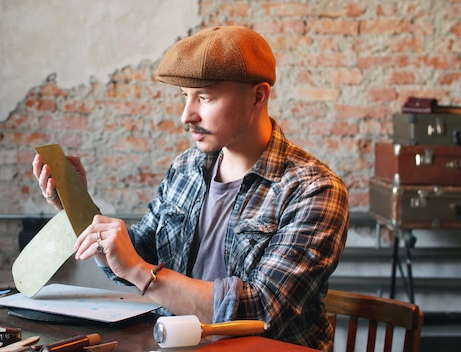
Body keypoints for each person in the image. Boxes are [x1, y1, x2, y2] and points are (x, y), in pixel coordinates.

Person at [32, 25, 348, 351]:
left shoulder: (314, 191)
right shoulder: (186, 168)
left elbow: (261, 309)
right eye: (185, 97)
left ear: (258, 96)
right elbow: (136, 253)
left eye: (205, 98)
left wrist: (143, 273)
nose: (187, 115)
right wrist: (76, 205)